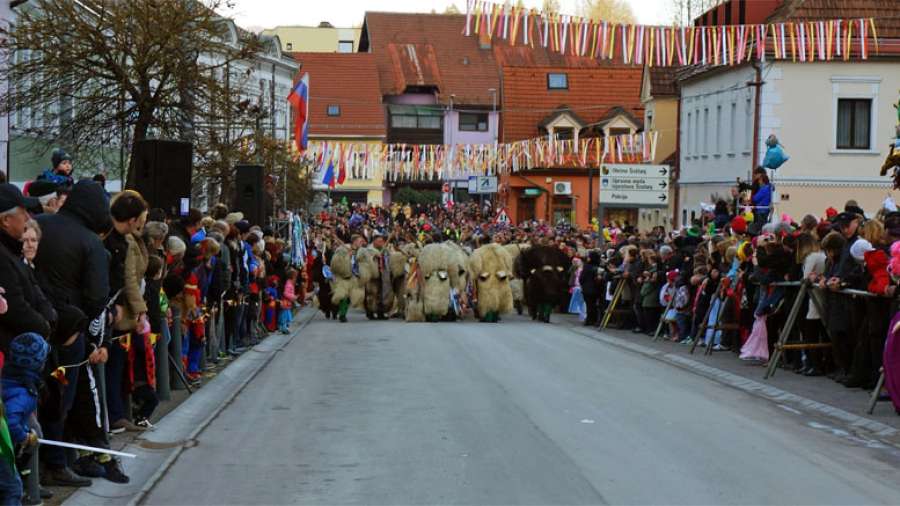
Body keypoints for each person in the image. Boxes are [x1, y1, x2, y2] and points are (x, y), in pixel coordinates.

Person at [105, 191, 149, 434]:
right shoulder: (128, 242)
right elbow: (129, 278)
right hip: (122, 311)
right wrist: (140, 310)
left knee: (121, 366)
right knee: (116, 367)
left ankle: (119, 413)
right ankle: (116, 414)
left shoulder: (132, 239)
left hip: (125, 309)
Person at [0, 184, 52, 352]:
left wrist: (49, 316)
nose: (27, 218)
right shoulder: (3, 256)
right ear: (6, 220)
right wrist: (44, 326)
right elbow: (15, 308)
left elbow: (35, 290)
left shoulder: (12, 251)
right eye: (22, 212)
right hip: (15, 352)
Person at [2, 333, 49, 505]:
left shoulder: (7, 377)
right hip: (2, 451)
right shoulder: (24, 392)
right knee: (12, 489)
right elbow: (10, 420)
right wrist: (25, 437)